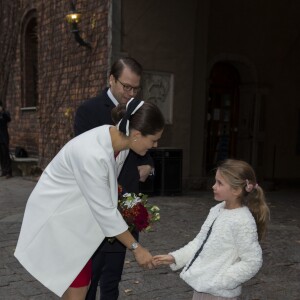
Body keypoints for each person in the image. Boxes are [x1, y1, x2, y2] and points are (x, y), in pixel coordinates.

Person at [14, 99, 165, 300]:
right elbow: (105, 212)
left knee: (78, 287)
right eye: (153, 140)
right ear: (137, 134)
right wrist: (137, 249)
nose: (156, 145)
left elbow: (106, 188)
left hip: (75, 218)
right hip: (57, 220)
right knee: (78, 289)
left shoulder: (120, 142)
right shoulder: (92, 154)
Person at [74, 57, 154, 300]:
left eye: (135, 88)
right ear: (111, 79)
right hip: (96, 204)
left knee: (113, 276)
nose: (130, 93)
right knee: (91, 272)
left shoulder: (138, 110)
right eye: (125, 86)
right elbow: (83, 158)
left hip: (127, 199)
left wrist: (148, 165)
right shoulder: (88, 110)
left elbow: (146, 148)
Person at [153, 159, 270, 300]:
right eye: (215, 181)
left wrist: (222, 281)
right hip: (202, 288)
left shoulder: (242, 220)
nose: (214, 186)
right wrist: (174, 257)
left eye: (220, 183)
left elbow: (253, 261)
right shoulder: (217, 209)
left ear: (236, 190)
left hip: (219, 293)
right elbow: (200, 242)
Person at [0, 101, 12, 179]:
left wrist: (2, 112)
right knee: (1, 155)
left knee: (6, 154)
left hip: (4, 138)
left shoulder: (5, 114)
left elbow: (9, 119)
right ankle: (3, 170)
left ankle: (9, 172)